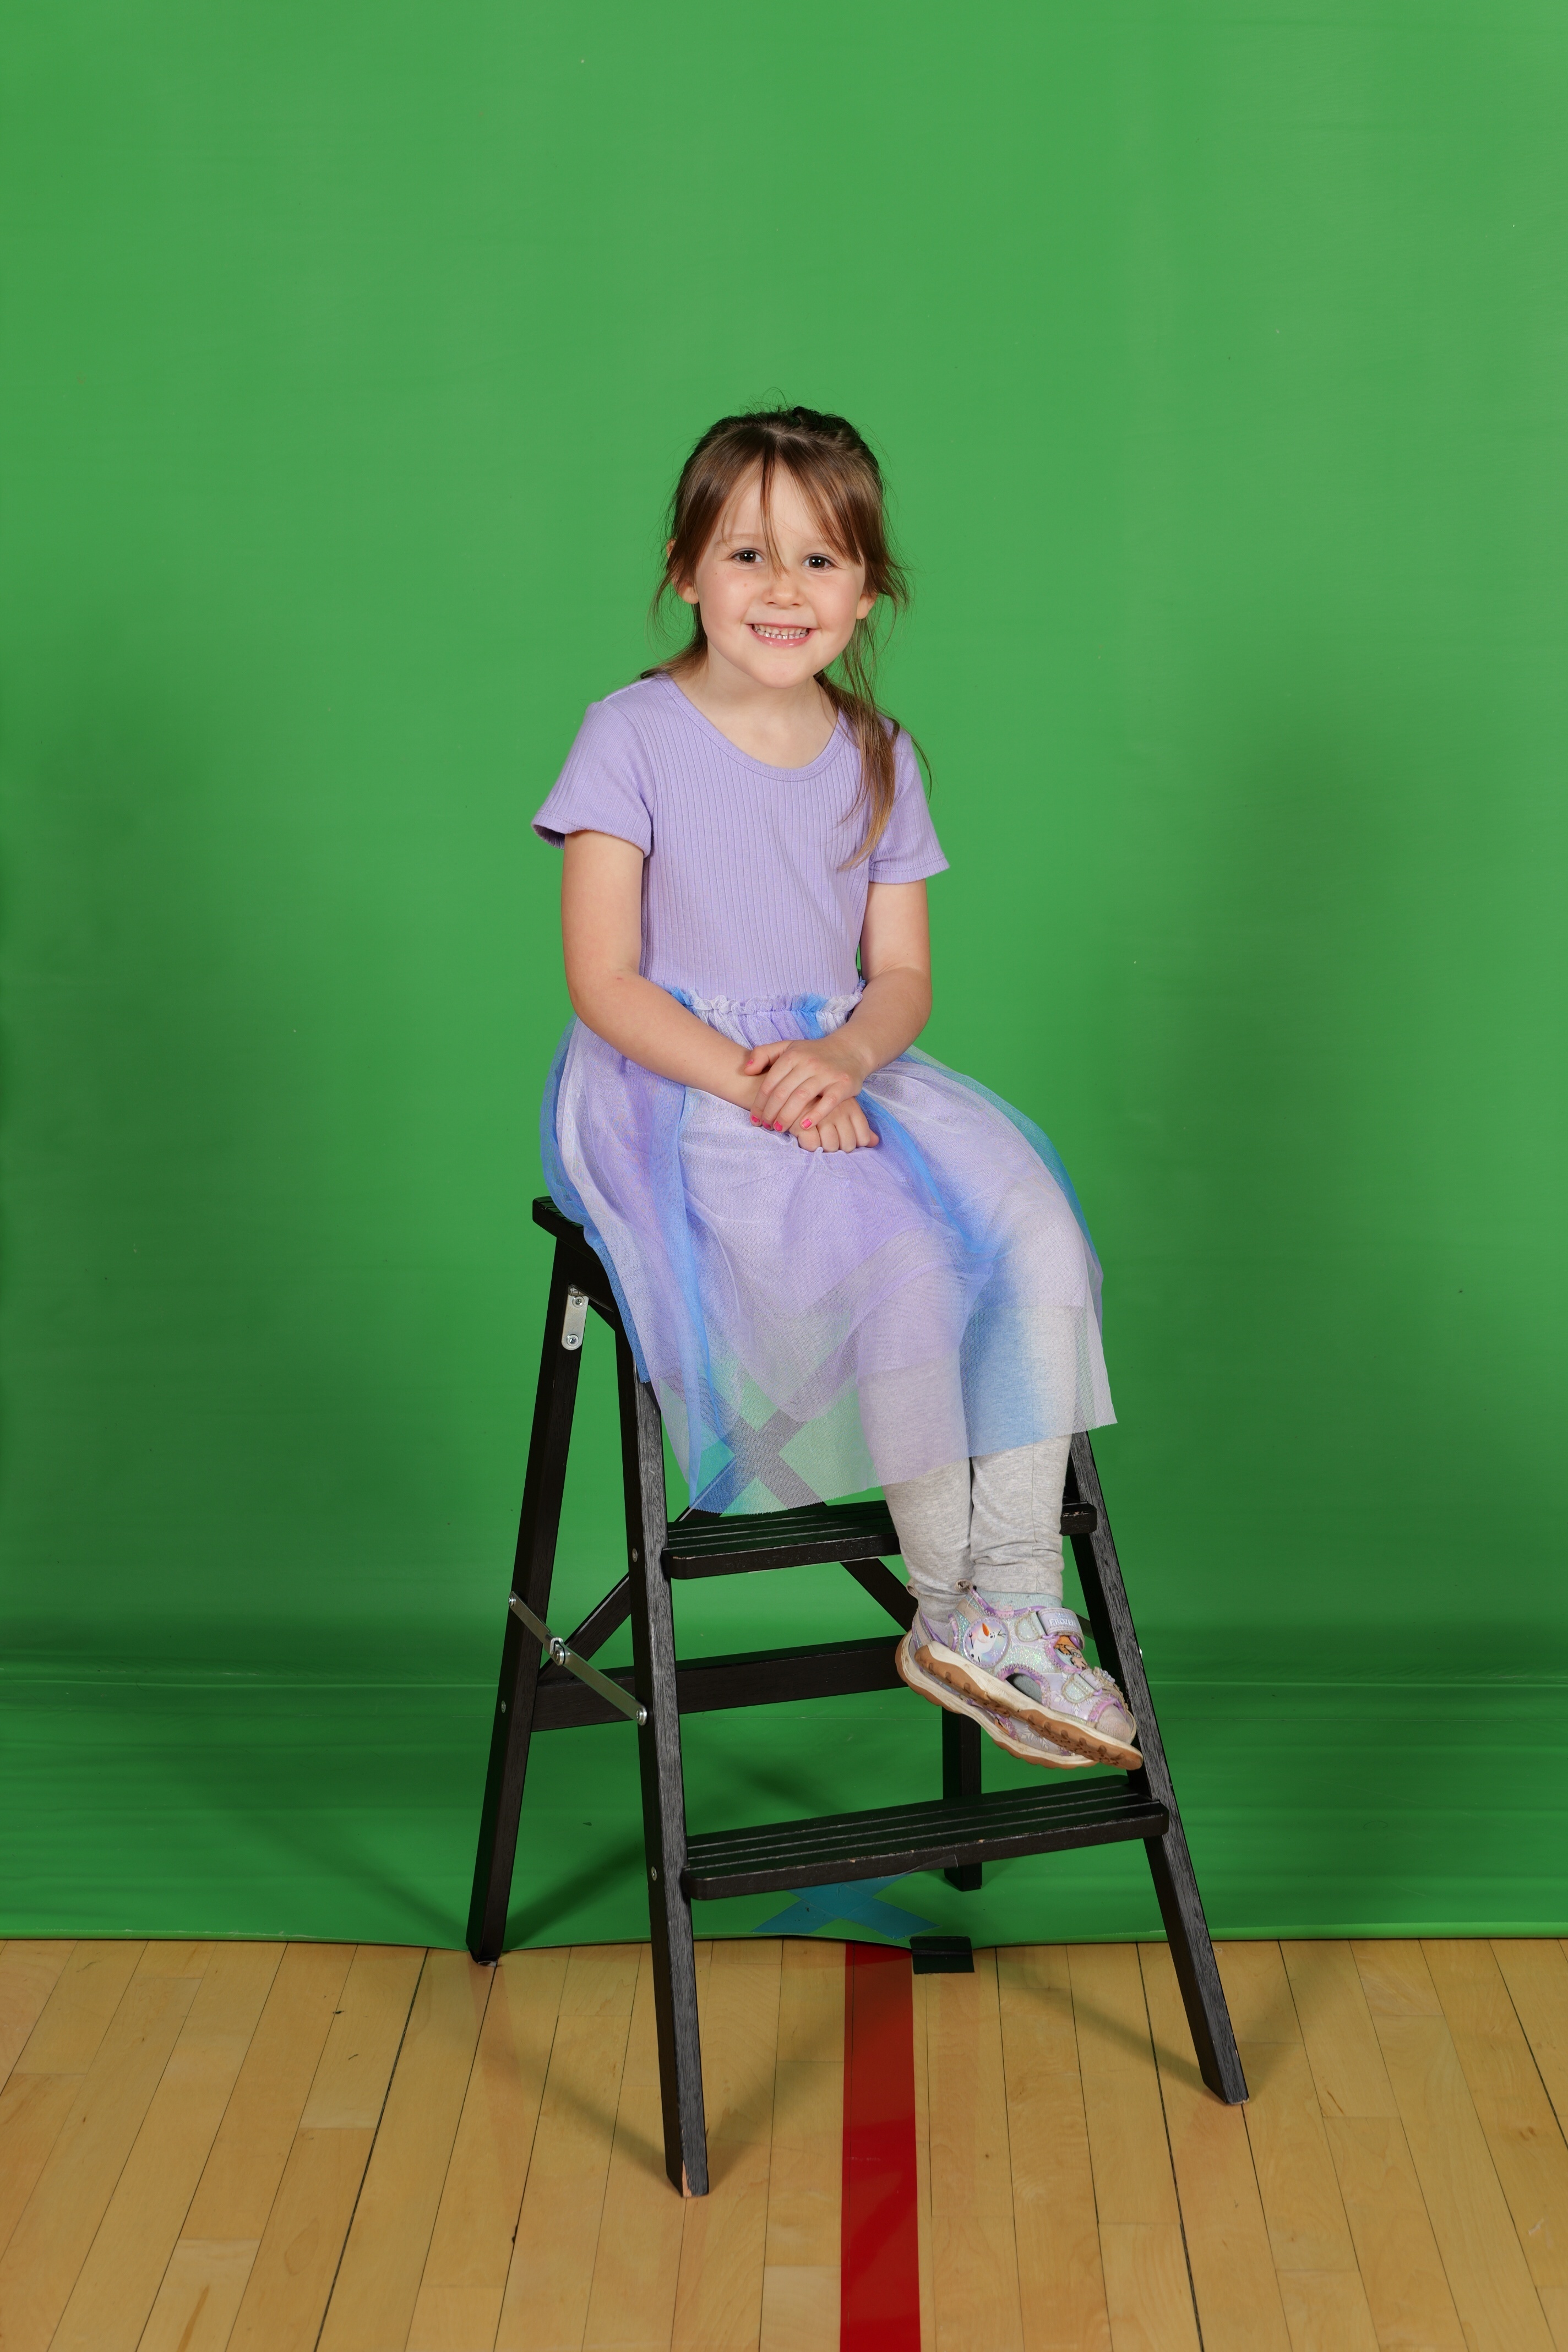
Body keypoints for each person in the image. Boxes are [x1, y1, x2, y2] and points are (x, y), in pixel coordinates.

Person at [533, 405, 1139, 1774]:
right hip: (678, 1079)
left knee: (1035, 1233)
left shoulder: (875, 749)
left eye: (820, 559)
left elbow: (901, 974)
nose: (783, 588)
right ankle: (948, 1607)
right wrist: (765, 1089)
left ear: (867, 589)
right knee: (899, 1257)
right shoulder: (629, 735)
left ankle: (1019, 1597)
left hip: (844, 1062)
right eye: (746, 553)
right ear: (685, 569)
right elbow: (606, 981)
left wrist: (847, 1059)